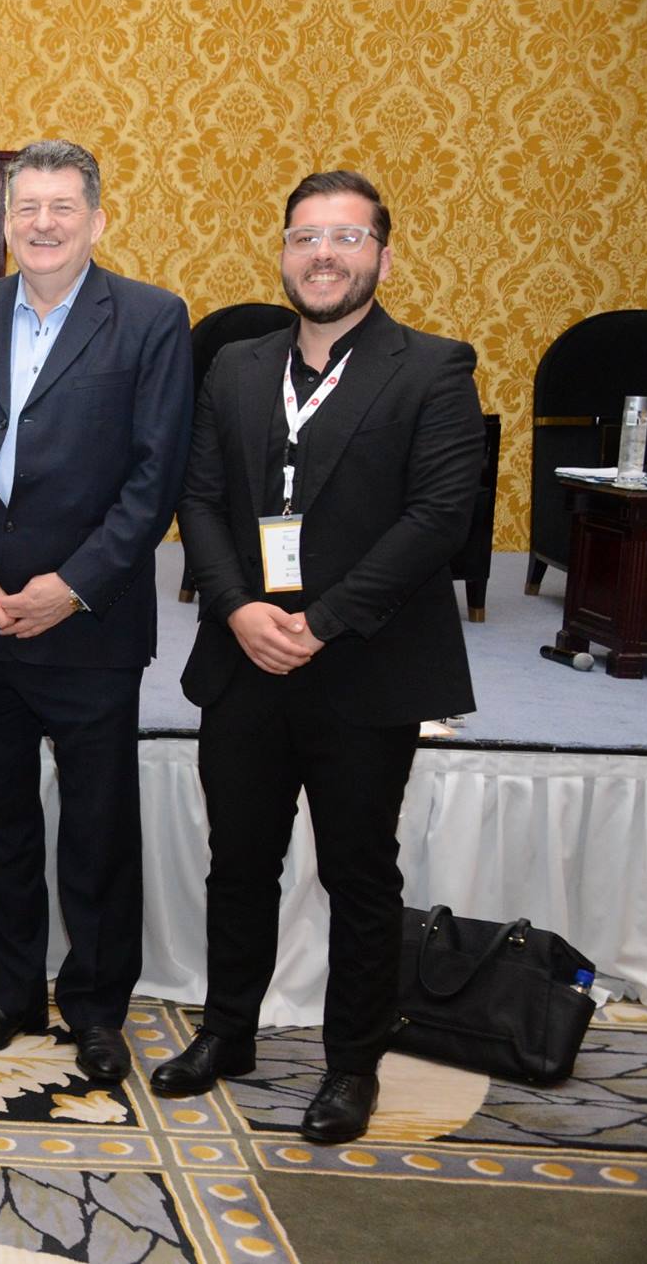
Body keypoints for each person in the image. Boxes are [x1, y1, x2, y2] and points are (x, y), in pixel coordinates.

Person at [156, 171, 482, 1143]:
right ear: (283, 252)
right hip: (243, 658)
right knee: (237, 862)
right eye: (305, 237)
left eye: (345, 237)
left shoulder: (433, 368)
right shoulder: (234, 365)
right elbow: (199, 498)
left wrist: (323, 620)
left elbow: (438, 517)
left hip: (364, 667)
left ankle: (350, 1066)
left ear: (383, 255)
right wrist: (237, 608)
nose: (323, 254)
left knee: (358, 875)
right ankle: (227, 1032)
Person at [0, 139, 192, 1083]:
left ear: (98, 219)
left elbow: (155, 477)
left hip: (89, 621)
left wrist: (72, 585)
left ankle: (95, 1008)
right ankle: (8, 993)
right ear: (5, 222)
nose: (43, 224)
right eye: (27, 208)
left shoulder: (153, 319)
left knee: (97, 830)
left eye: (62, 207)